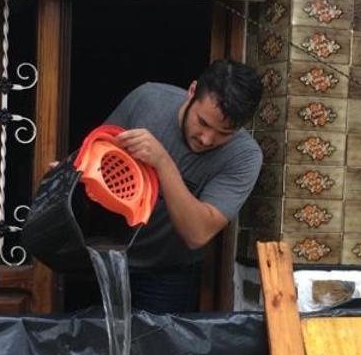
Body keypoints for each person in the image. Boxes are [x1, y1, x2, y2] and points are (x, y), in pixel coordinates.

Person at [71, 60, 264, 314]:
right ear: (192, 91)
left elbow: (197, 234)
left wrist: (162, 162)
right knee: (91, 343)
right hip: (102, 256)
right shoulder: (148, 100)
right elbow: (94, 154)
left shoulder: (245, 156)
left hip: (168, 274)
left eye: (224, 133)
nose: (207, 139)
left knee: (157, 352)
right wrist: (66, 172)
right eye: (203, 123)